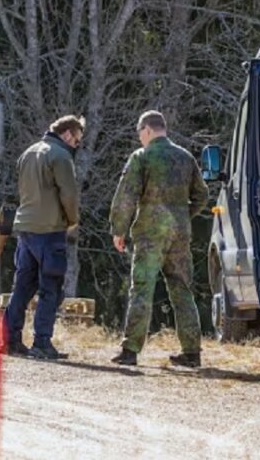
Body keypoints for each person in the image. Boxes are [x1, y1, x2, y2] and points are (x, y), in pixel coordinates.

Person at [110, 110, 209, 367]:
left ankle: (130, 350)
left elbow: (126, 196)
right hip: (179, 233)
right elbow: (202, 195)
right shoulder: (186, 157)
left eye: (140, 133)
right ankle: (192, 352)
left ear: (147, 130)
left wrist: (118, 229)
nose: (140, 138)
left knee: (142, 288)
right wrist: (184, 215)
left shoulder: (142, 157)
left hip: (150, 234)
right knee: (182, 290)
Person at [3, 115, 84, 359]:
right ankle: (42, 343)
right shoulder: (60, 156)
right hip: (50, 230)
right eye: (77, 141)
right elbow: (69, 195)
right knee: (51, 287)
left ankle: (10, 339)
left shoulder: (28, 153)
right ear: (67, 134)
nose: (76, 145)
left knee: (22, 287)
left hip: (25, 228)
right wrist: (72, 221)